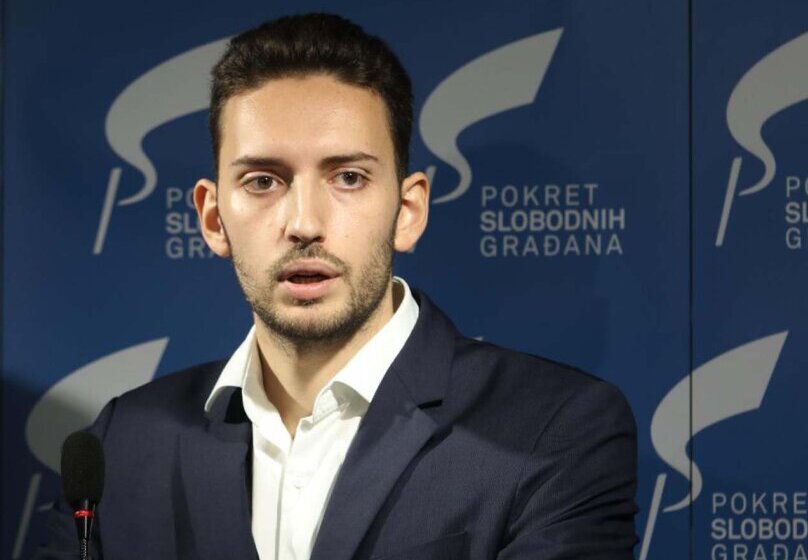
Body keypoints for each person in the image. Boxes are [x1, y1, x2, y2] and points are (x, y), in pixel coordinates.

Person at [39, 12, 638, 560]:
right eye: (263, 181)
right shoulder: (121, 445)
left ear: (407, 211)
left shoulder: (554, 429)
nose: (304, 223)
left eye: (348, 177)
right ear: (214, 218)